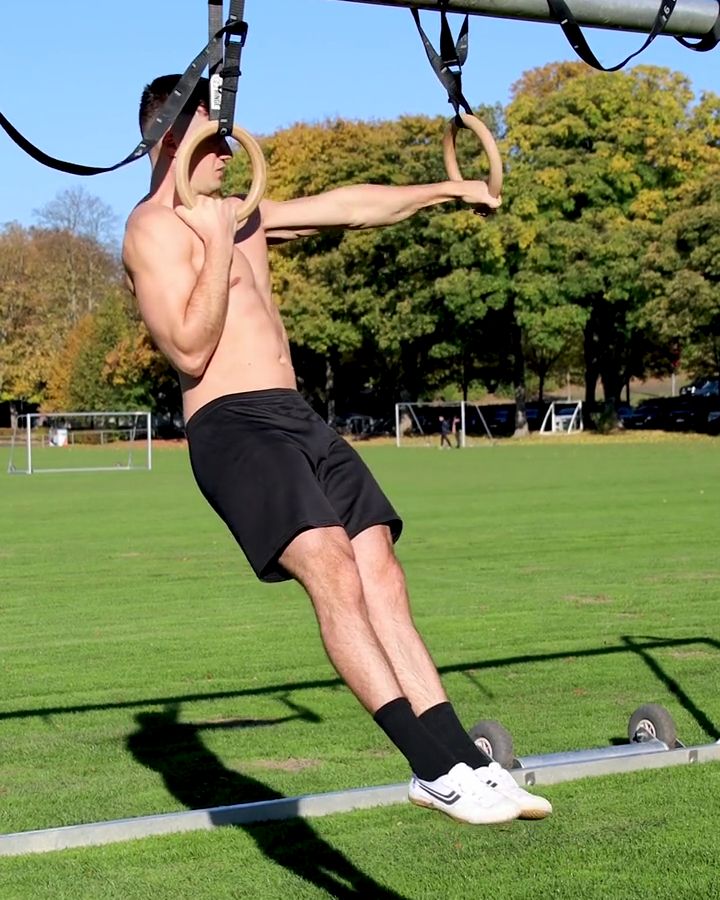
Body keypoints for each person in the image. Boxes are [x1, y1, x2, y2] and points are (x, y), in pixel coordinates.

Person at [122, 75, 551, 825]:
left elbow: (347, 208)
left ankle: (460, 762)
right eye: (212, 135)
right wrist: (219, 241)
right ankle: (428, 766)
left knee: (380, 566)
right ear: (166, 135)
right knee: (329, 564)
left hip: (298, 417)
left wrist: (445, 192)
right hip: (232, 425)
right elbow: (189, 350)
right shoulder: (152, 231)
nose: (227, 149)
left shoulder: (243, 216)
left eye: (230, 136)